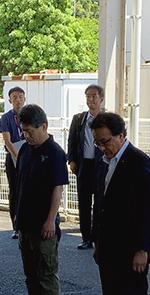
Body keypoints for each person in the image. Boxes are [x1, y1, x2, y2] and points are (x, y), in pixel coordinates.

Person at [84, 112, 150, 295]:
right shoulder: (103, 163)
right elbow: (100, 204)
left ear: (121, 135)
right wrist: (96, 240)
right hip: (109, 246)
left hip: (132, 248)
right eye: (98, 143)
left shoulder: (140, 163)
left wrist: (142, 249)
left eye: (106, 141)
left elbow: (147, 210)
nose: (103, 147)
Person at [13, 104, 68, 295]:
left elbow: (58, 189)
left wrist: (50, 220)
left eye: (30, 131)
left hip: (44, 224)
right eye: (23, 131)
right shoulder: (25, 150)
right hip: (25, 221)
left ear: (43, 126)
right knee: (30, 273)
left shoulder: (55, 152)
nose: (27, 135)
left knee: (46, 272)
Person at [67, 84, 103, 250]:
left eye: (94, 96)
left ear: (101, 99)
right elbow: (72, 141)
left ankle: (98, 236)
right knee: (84, 202)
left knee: (100, 203)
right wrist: (72, 160)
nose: (91, 99)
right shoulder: (79, 119)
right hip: (84, 165)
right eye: (88, 96)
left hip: (102, 165)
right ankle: (86, 237)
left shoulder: (107, 119)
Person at [0, 86, 26, 239]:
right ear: (10, 100)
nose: (18, 100)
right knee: (14, 191)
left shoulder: (30, 114)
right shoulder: (7, 118)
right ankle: (15, 226)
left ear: (25, 98)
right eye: (14, 97)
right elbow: (7, 140)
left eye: (20, 96)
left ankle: (27, 223)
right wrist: (18, 156)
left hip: (28, 156)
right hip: (13, 156)